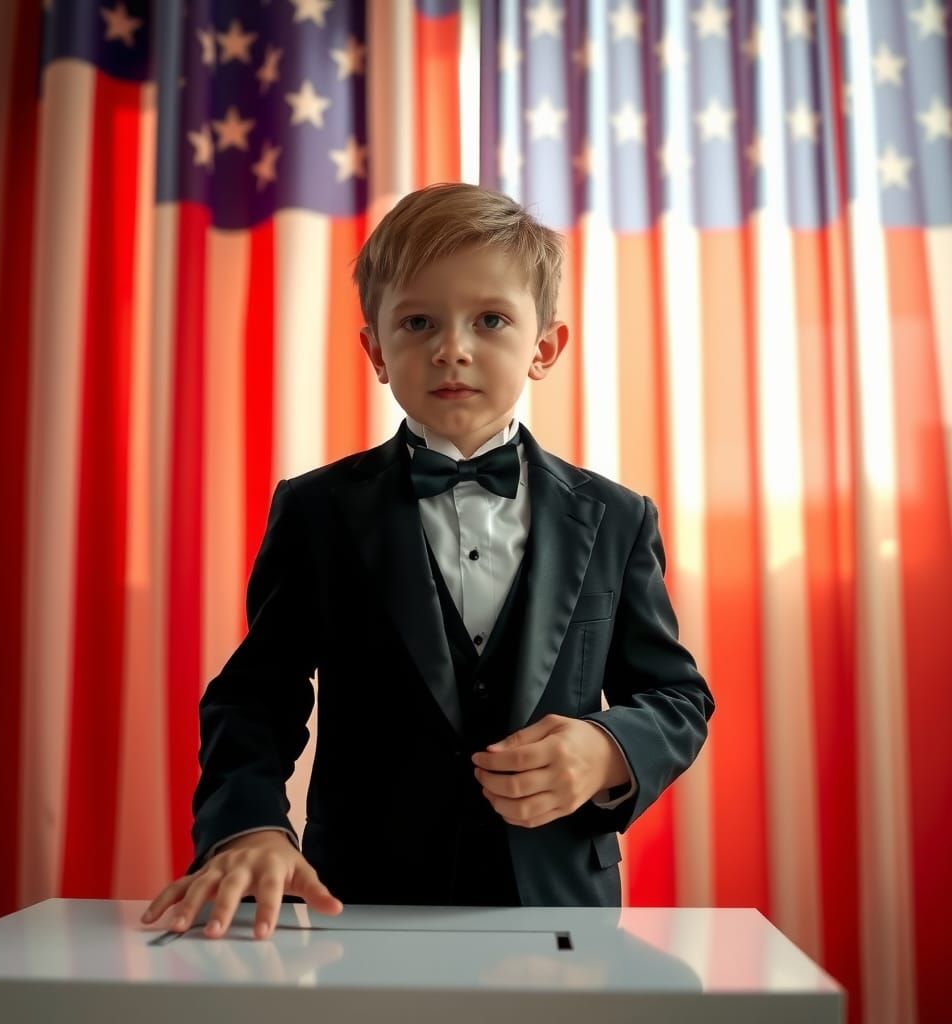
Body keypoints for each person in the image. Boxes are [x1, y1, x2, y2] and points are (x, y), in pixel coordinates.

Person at [142, 183, 714, 941]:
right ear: (376, 350)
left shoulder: (616, 517)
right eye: (417, 322)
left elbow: (676, 698)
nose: (453, 347)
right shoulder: (317, 512)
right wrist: (248, 826)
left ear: (544, 347)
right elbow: (255, 697)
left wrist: (607, 749)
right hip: (362, 903)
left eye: (491, 320)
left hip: (559, 913)